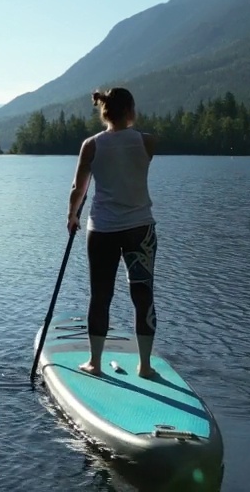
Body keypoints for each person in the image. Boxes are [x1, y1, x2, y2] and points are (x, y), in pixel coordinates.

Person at [66, 87, 158, 378]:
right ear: (130, 110)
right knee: (143, 295)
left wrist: (72, 216)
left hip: (103, 230)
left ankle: (95, 363)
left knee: (100, 296)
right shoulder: (147, 142)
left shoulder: (91, 145)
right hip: (140, 230)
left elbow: (77, 189)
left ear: (104, 111)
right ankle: (144, 365)